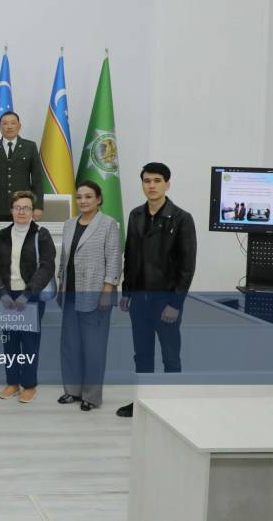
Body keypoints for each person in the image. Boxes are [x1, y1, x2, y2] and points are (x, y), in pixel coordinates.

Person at [116, 162, 197, 418]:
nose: (151, 186)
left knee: (170, 356)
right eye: (147, 181)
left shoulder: (182, 218)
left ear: (167, 184)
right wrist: (126, 291)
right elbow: (130, 256)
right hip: (139, 300)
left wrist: (176, 303)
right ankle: (142, 403)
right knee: (142, 355)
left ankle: (172, 405)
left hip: (166, 301)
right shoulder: (135, 215)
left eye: (157, 181)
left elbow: (187, 266)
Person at [56, 181, 122, 411]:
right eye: (79, 197)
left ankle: (91, 397)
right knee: (70, 345)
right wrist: (60, 284)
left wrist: (107, 290)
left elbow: (114, 258)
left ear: (99, 199)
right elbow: (64, 259)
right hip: (70, 293)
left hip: (97, 294)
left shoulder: (108, 224)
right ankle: (72, 391)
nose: (83, 201)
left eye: (88, 196)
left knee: (93, 348)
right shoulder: (69, 224)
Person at [0, 191, 56, 403]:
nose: (21, 211)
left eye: (26, 208)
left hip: (30, 297)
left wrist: (27, 294)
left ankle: (29, 386)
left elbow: (47, 267)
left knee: (29, 343)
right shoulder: (2, 235)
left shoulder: (41, 234)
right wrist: (2, 293)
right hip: (7, 296)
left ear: (33, 211)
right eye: (17, 207)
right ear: (11, 210)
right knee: (10, 342)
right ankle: (12, 383)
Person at [0, 111, 44, 221]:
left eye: (13, 123)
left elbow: (37, 180)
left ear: (19, 126)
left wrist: (38, 206)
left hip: (23, 207)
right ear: (0, 127)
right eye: (5, 123)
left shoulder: (30, 147)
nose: (9, 127)